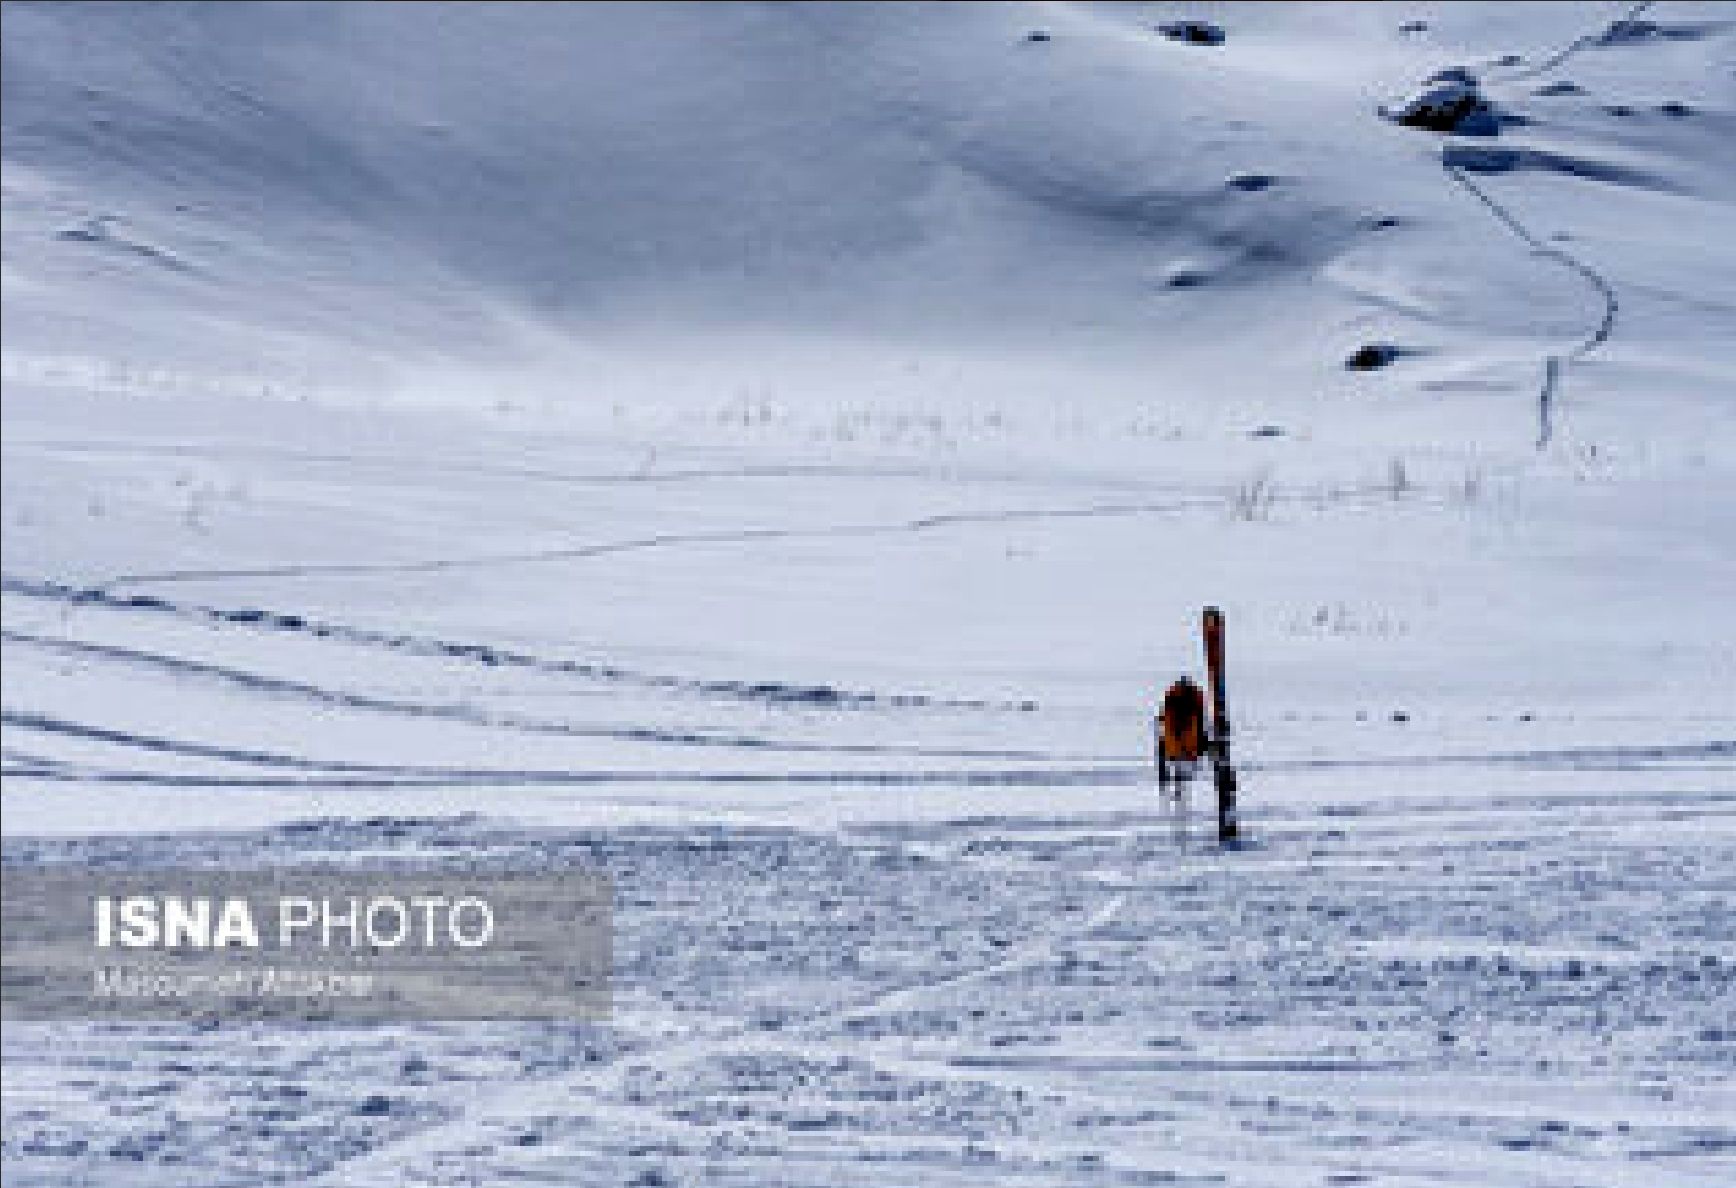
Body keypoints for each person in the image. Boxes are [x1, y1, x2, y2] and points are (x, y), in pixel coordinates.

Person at [1156, 675, 1208, 789]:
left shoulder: (1172, 702)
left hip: (1178, 745)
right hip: (1185, 746)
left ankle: (1164, 778)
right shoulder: (1193, 702)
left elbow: (1162, 720)